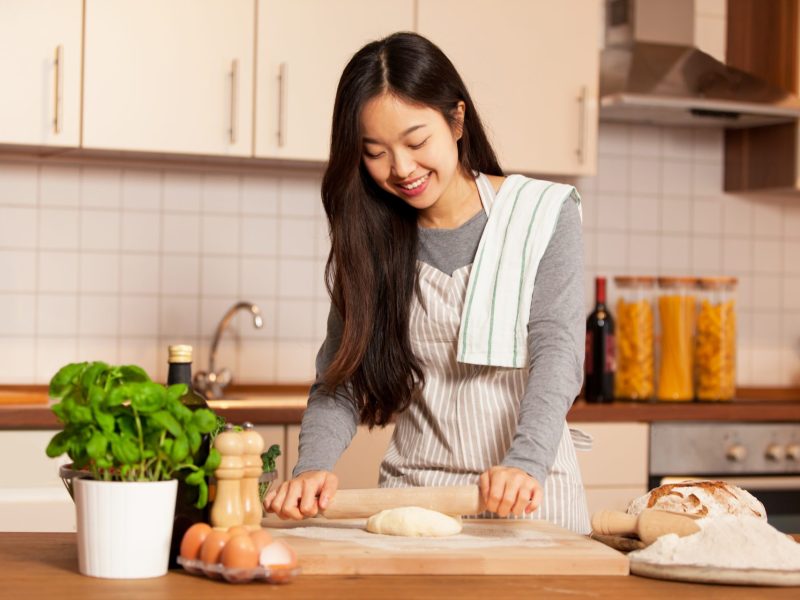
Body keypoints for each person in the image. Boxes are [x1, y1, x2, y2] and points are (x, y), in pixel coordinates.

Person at [263, 31, 591, 533]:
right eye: (375, 151)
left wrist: (524, 463)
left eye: (416, 142)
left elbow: (557, 350)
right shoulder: (371, 240)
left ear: (457, 120)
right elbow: (341, 379)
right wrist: (312, 467)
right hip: (415, 501)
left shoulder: (541, 214)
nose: (401, 169)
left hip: (531, 496)